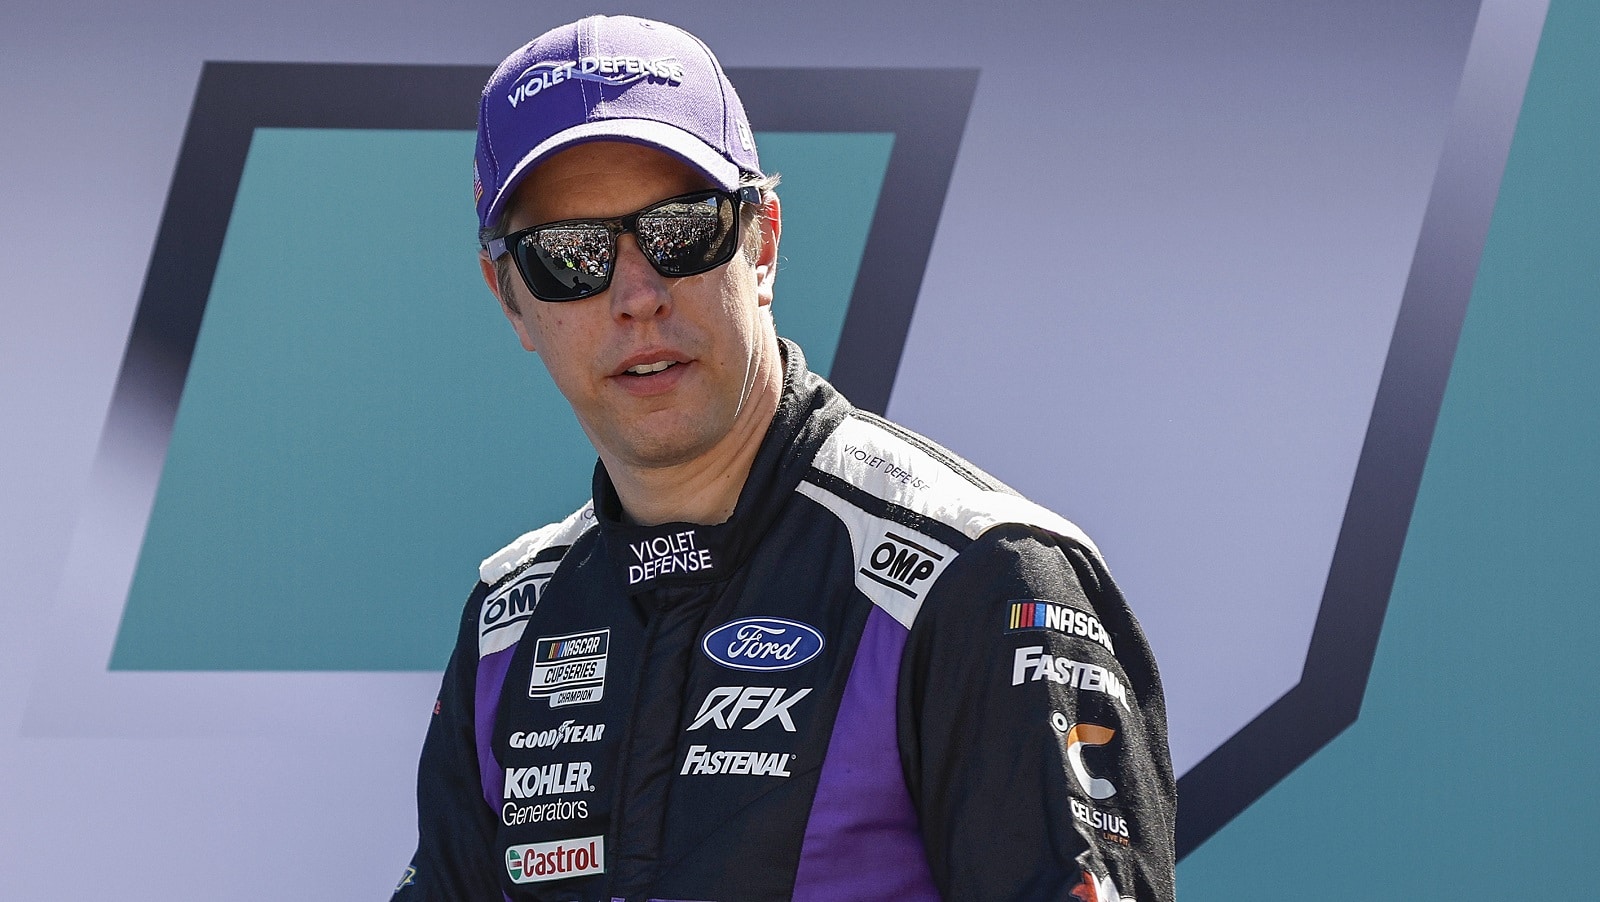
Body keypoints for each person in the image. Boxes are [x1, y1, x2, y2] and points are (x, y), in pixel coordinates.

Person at [397, 14, 1175, 902]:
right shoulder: (510, 622)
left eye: (680, 231)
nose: (637, 296)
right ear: (511, 300)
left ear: (760, 242)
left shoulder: (982, 583)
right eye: (571, 257)